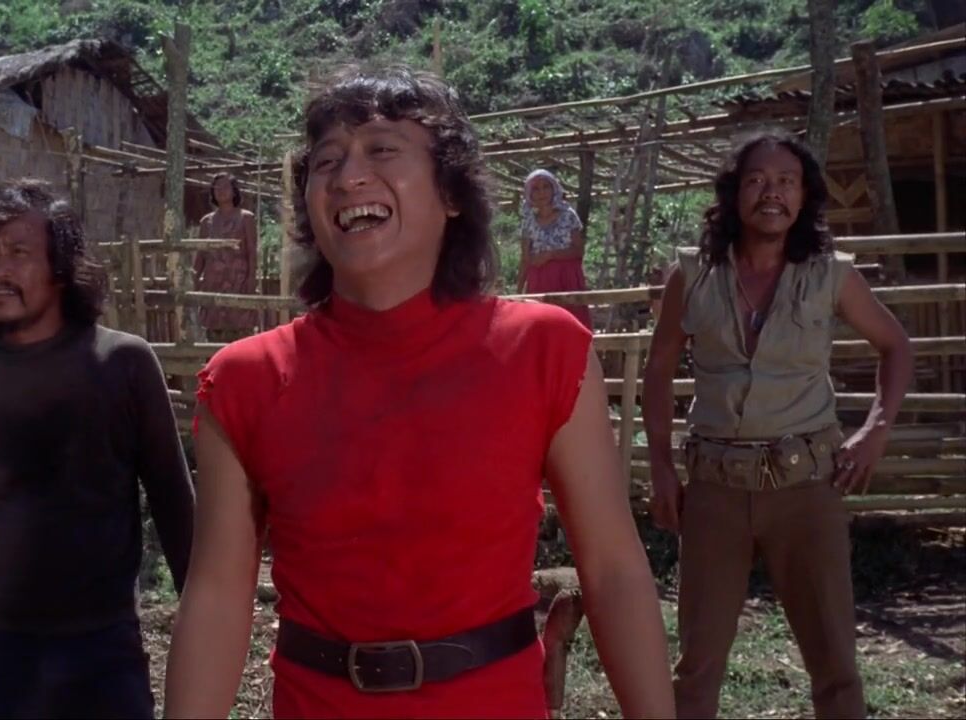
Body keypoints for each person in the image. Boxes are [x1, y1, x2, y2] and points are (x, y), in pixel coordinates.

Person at [164, 66, 674, 720]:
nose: (348, 176)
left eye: (381, 149)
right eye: (327, 161)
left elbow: (613, 571)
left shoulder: (545, 352)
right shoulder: (246, 381)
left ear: (451, 193)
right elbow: (216, 599)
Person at [0, 179, 195, 720]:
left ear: (61, 268)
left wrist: (203, 633)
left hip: (102, 649)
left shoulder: (123, 365)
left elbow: (175, 506)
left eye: (18, 252)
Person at [642, 132, 913, 719]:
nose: (773, 193)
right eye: (758, 180)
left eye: (787, 181)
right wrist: (660, 465)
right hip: (716, 488)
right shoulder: (693, 275)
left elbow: (895, 345)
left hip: (806, 486)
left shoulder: (831, 275)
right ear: (733, 193)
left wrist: (876, 429)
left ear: (804, 195)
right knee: (697, 665)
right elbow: (658, 371)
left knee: (835, 664)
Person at [517, 169, 593, 329]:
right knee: (543, 326)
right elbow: (525, 259)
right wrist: (518, 292)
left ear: (554, 189)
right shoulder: (528, 222)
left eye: (546, 186)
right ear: (529, 194)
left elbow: (578, 251)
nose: (541, 192)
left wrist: (551, 255)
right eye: (536, 189)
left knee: (571, 324)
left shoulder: (568, 216)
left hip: (567, 279)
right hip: (539, 280)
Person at [194, 172, 259, 341]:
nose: (221, 190)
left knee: (241, 329)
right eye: (217, 188)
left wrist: (251, 279)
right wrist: (194, 278)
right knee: (214, 331)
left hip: (239, 280)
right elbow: (201, 254)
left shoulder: (246, 218)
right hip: (213, 282)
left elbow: (252, 251)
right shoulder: (206, 222)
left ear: (234, 190)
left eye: (225, 187)